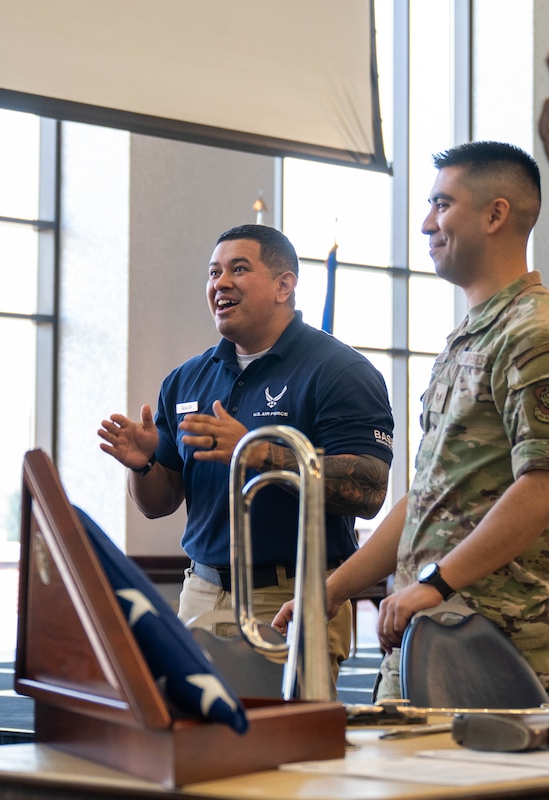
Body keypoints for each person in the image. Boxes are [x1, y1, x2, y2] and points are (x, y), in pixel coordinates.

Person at [273, 141, 549, 699]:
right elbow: (425, 500)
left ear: (496, 214)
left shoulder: (539, 331)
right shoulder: (470, 336)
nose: (426, 223)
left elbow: (545, 486)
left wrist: (435, 582)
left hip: (492, 636)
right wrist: (331, 589)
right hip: (432, 626)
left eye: (442, 205)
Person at [99, 224, 394, 682]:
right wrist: (144, 464)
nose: (221, 283)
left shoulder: (340, 371)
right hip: (201, 591)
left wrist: (258, 454)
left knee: (283, 744)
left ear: (284, 284)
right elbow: (159, 504)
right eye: (214, 272)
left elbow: (369, 488)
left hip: (292, 595)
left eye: (239, 269)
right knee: (197, 739)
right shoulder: (187, 379)